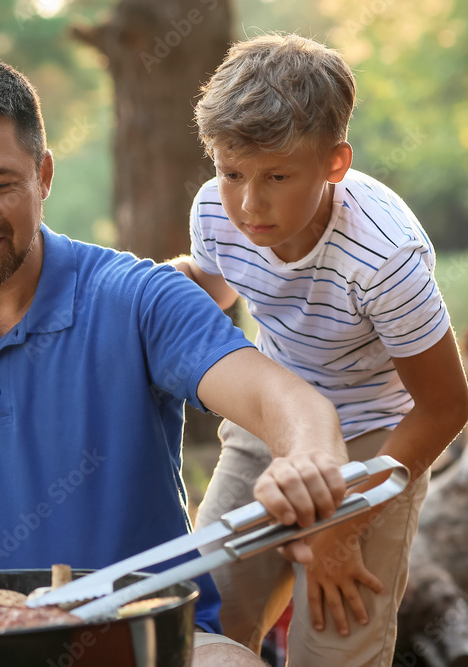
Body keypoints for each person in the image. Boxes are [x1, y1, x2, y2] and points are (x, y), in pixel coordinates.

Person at [0, 58, 357, 664]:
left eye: (0, 183)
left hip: (149, 642)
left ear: (44, 175)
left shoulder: (139, 297)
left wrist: (312, 457)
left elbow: (284, 400)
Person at [170, 34, 468, 666]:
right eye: (231, 173)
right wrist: (155, 287)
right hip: (270, 426)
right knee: (203, 619)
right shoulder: (217, 212)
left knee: (333, 645)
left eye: (277, 176)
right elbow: (219, 282)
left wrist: (347, 522)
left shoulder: (385, 257)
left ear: (335, 163)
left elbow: (445, 406)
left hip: (376, 442)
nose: (250, 204)